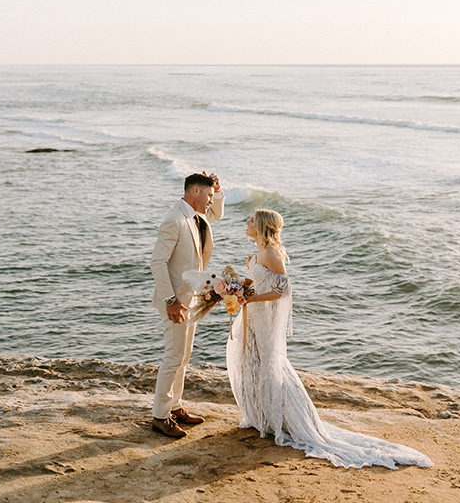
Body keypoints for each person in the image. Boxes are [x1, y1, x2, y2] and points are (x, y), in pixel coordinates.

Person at [226, 209, 433, 469]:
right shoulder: (260, 253)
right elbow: (264, 283)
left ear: (262, 226)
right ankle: (263, 417)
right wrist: (240, 288)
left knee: (268, 364)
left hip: (264, 318)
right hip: (253, 317)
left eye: (251, 220)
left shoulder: (271, 254)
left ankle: (285, 419)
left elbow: (282, 291)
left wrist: (250, 297)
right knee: (251, 361)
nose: (247, 222)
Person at [149, 172, 225, 437]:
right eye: (208, 196)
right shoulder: (174, 221)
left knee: (184, 355)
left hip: (190, 298)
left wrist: (216, 187)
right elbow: (156, 263)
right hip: (175, 302)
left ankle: (175, 406)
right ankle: (160, 416)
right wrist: (170, 301)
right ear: (194, 191)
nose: (210, 202)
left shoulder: (196, 216)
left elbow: (215, 214)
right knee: (173, 357)